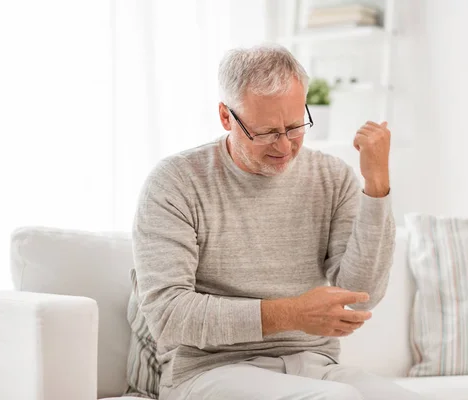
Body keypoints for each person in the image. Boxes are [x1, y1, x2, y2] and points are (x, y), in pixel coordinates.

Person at [124, 44, 424, 400]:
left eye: (296, 126)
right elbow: (168, 315)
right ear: (225, 116)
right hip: (211, 373)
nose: (284, 146)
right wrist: (290, 314)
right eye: (266, 132)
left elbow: (362, 297)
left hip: (316, 366)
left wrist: (376, 188)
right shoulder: (176, 182)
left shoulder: (331, 177)